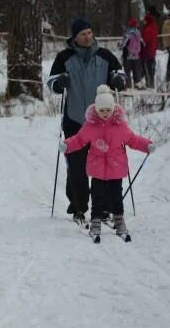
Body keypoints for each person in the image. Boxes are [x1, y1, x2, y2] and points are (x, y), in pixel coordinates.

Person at [46, 17, 126, 225]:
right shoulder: (65, 57)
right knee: (77, 166)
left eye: (90, 32)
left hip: (104, 121)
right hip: (74, 119)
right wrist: (59, 83)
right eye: (83, 34)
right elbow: (51, 82)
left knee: (105, 163)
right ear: (74, 37)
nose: (88, 36)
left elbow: (120, 74)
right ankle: (78, 207)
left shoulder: (105, 55)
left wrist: (118, 80)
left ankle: (106, 207)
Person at [60, 85, 155, 241]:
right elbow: (79, 140)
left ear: (113, 109)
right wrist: (67, 145)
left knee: (116, 198)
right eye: (101, 110)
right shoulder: (90, 126)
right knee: (97, 197)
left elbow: (133, 140)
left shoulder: (120, 126)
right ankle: (95, 222)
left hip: (116, 169)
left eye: (108, 110)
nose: (105, 114)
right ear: (96, 109)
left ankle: (119, 221)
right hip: (97, 169)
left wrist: (147, 145)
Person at [119, 18, 145, 88]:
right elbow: (142, 43)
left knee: (127, 71)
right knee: (136, 71)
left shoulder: (128, 33)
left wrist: (120, 46)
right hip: (136, 56)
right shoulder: (138, 33)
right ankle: (137, 84)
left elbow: (123, 44)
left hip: (128, 55)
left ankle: (128, 85)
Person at [141, 6, 159, 88]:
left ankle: (150, 84)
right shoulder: (153, 26)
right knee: (151, 67)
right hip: (152, 50)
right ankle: (151, 83)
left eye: (144, 20)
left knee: (148, 68)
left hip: (148, 51)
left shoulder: (148, 29)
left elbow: (146, 39)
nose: (143, 22)